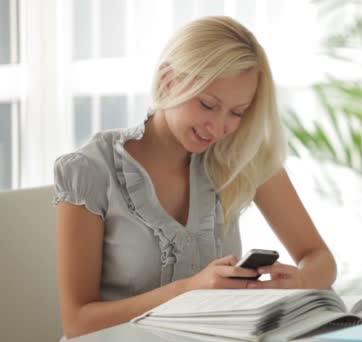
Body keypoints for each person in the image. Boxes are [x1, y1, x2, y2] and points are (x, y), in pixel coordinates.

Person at [53, 16, 337, 338]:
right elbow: (77, 322)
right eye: (207, 104)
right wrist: (188, 290)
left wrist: (298, 282)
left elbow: (321, 259)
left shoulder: (239, 153)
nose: (218, 128)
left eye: (237, 112)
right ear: (168, 80)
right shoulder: (89, 170)